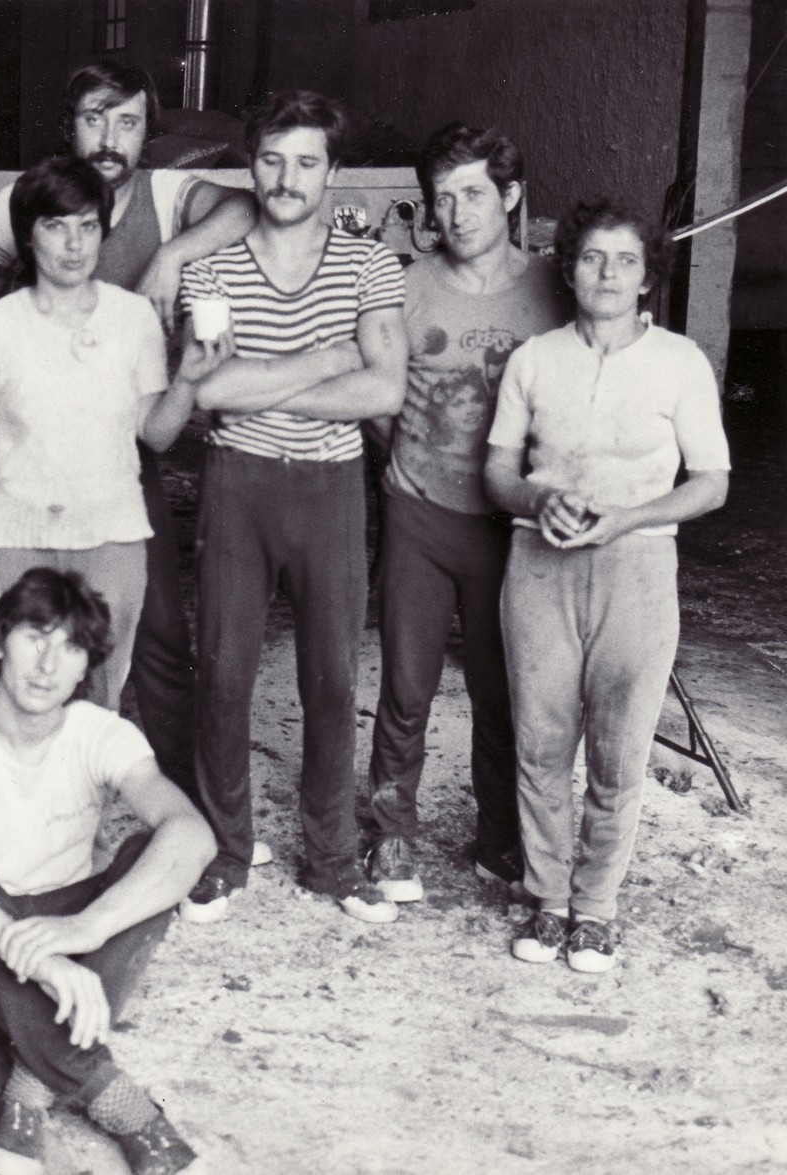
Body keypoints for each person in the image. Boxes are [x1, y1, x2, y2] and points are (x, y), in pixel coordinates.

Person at [0, 55, 244, 798]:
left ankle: (177, 793)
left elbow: (244, 209)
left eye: (129, 122)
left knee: (155, 629)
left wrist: (172, 257)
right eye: (94, 119)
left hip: (122, 451)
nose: (111, 139)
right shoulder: (15, 206)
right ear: (68, 126)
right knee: (26, 646)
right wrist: (22, 356)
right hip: (32, 457)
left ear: (149, 131)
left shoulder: (166, 195)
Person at [0, 568, 214, 1175]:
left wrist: (88, 928)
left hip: (73, 946)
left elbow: (191, 834)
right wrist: (39, 960)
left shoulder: (102, 734)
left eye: (69, 647)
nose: (47, 665)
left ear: (85, 665)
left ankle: (26, 1091)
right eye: (34, 638)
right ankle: (126, 1108)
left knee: (151, 854)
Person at [177, 90, 408, 925]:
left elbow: (384, 390)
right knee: (224, 673)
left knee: (332, 679)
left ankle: (332, 860)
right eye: (272, 159)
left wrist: (263, 383)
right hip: (237, 483)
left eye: (307, 162)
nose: (286, 177)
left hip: (330, 489)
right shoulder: (212, 268)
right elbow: (210, 390)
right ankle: (224, 853)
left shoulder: (370, 264)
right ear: (251, 164)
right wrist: (325, 357)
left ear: (333, 173)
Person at [485, 198, 729, 973]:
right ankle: (548, 899)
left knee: (619, 751)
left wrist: (628, 517)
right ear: (569, 268)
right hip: (539, 563)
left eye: (626, 260)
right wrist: (537, 499)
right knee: (541, 741)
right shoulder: (534, 359)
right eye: (592, 257)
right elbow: (497, 472)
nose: (608, 274)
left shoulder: (680, 362)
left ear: (648, 275)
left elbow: (712, 482)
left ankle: (595, 909)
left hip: (639, 566)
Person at [360, 124, 572, 904]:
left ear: (510, 197)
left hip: (509, 528)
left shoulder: (553, 287)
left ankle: (500, 837)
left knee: (501, 687)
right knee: (406, 684)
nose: (456, 213)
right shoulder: (406, 284)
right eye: (442, 198)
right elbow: (375, 391)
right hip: (420, 514)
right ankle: (391, 832)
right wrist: (402, 460)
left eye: (474, 194)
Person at [0, 154, 212, 711]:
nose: (74, 245)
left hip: (112, 541)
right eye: (56, 226)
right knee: (19, 700)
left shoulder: (134, 318)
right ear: (28, 236)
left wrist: (188, 380)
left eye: (88, 226)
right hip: (16, 541)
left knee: (97, 704)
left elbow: (156, 435)